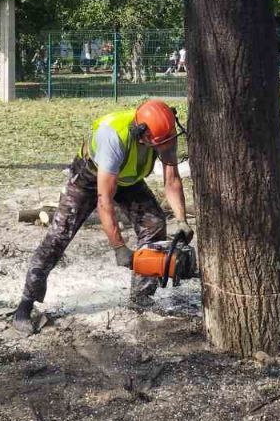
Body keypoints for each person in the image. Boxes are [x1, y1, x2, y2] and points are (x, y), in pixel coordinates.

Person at [13, 99, 190, 333]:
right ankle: (25, 305)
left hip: (128, 180)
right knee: (58, 236)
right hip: (90, 177)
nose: (164, 148)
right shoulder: (112, 138)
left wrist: (181, 220)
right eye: (158, 144)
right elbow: (104, 199)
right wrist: (119, 247)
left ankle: (141, 298)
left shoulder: (164, 133)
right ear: (141, 134)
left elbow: (172, 179)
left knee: (154, 223)